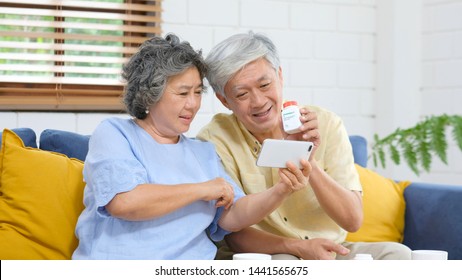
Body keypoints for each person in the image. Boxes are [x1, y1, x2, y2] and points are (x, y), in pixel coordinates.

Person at [72, 33, 312, 260]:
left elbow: (232, 215)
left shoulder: (203, 152)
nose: (193, 104)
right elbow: (124, 202)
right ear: (149, 95)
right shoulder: (115, 134)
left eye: (197, 92)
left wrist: (281, 189)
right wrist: (202, 190)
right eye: (183, 92)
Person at [197, 31, 412, 260]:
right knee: (286, 264)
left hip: (331, 249)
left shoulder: (325, 123)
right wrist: (295, 247)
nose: (258, 101)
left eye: (264, 84)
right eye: (242, 94)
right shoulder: (214, 140)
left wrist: (309, 160)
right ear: (224, 100)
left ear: (280, 76)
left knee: (398, 254)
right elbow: (233, 234)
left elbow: (352, 220)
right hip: (267, 254)